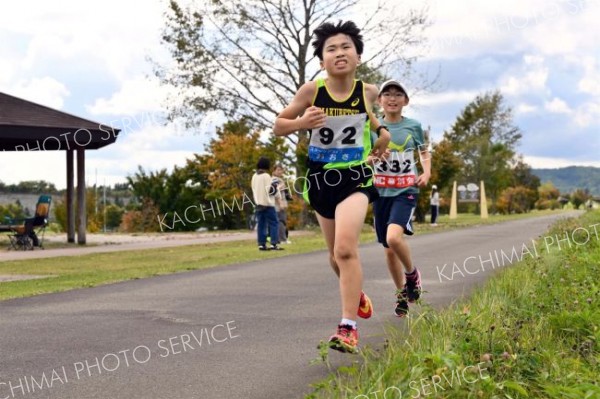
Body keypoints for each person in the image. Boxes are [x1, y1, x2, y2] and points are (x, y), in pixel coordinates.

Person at [273, 20, 391, 353]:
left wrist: (383, 138)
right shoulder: (312, 91)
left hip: (355, 177)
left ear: (357, 55)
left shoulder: (368, 92)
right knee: (334, 257)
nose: (339, 53)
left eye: (346, 47)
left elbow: (379, 126)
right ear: (322, 60)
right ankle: (356, 293)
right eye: (331, 49)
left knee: (345, 249)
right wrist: (301, 123)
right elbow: (278, 125)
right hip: (321, 179)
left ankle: (348, 327)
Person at [371, 79, 430, 318]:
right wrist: (374, 156)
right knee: (387, 250)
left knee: (394, 238)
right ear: (379, 101)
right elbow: (364, 158)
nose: (392, 98)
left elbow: (424, 152)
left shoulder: (414, 126)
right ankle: (401, 295)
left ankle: (412, 275)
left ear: (406, 101)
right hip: (380, 192)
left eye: (398, 94)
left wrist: (426, 172)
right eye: (387, 94)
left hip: (405, 190)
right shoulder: (372, 128)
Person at [251, 157, 283, 251]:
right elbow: (271, 190)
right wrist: (278, 188)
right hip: (268, 204)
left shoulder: (254, 176)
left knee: (261, 224)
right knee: (274, 223)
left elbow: (253, 189)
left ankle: (261, 244)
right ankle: (274, 244)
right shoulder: (266, 176)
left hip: (258, 204)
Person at [272, 164, 291, 244]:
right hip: (278, 204)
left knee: (281, 221)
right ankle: (282, 239)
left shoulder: (279, 179)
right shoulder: (275, 180)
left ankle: (280, 239)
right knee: (281, 221)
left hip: (280, 203)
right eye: (278, 170)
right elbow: (275, 192)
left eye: (281, 170)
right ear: (274, 171)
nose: (280, 171)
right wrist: (280, 203)